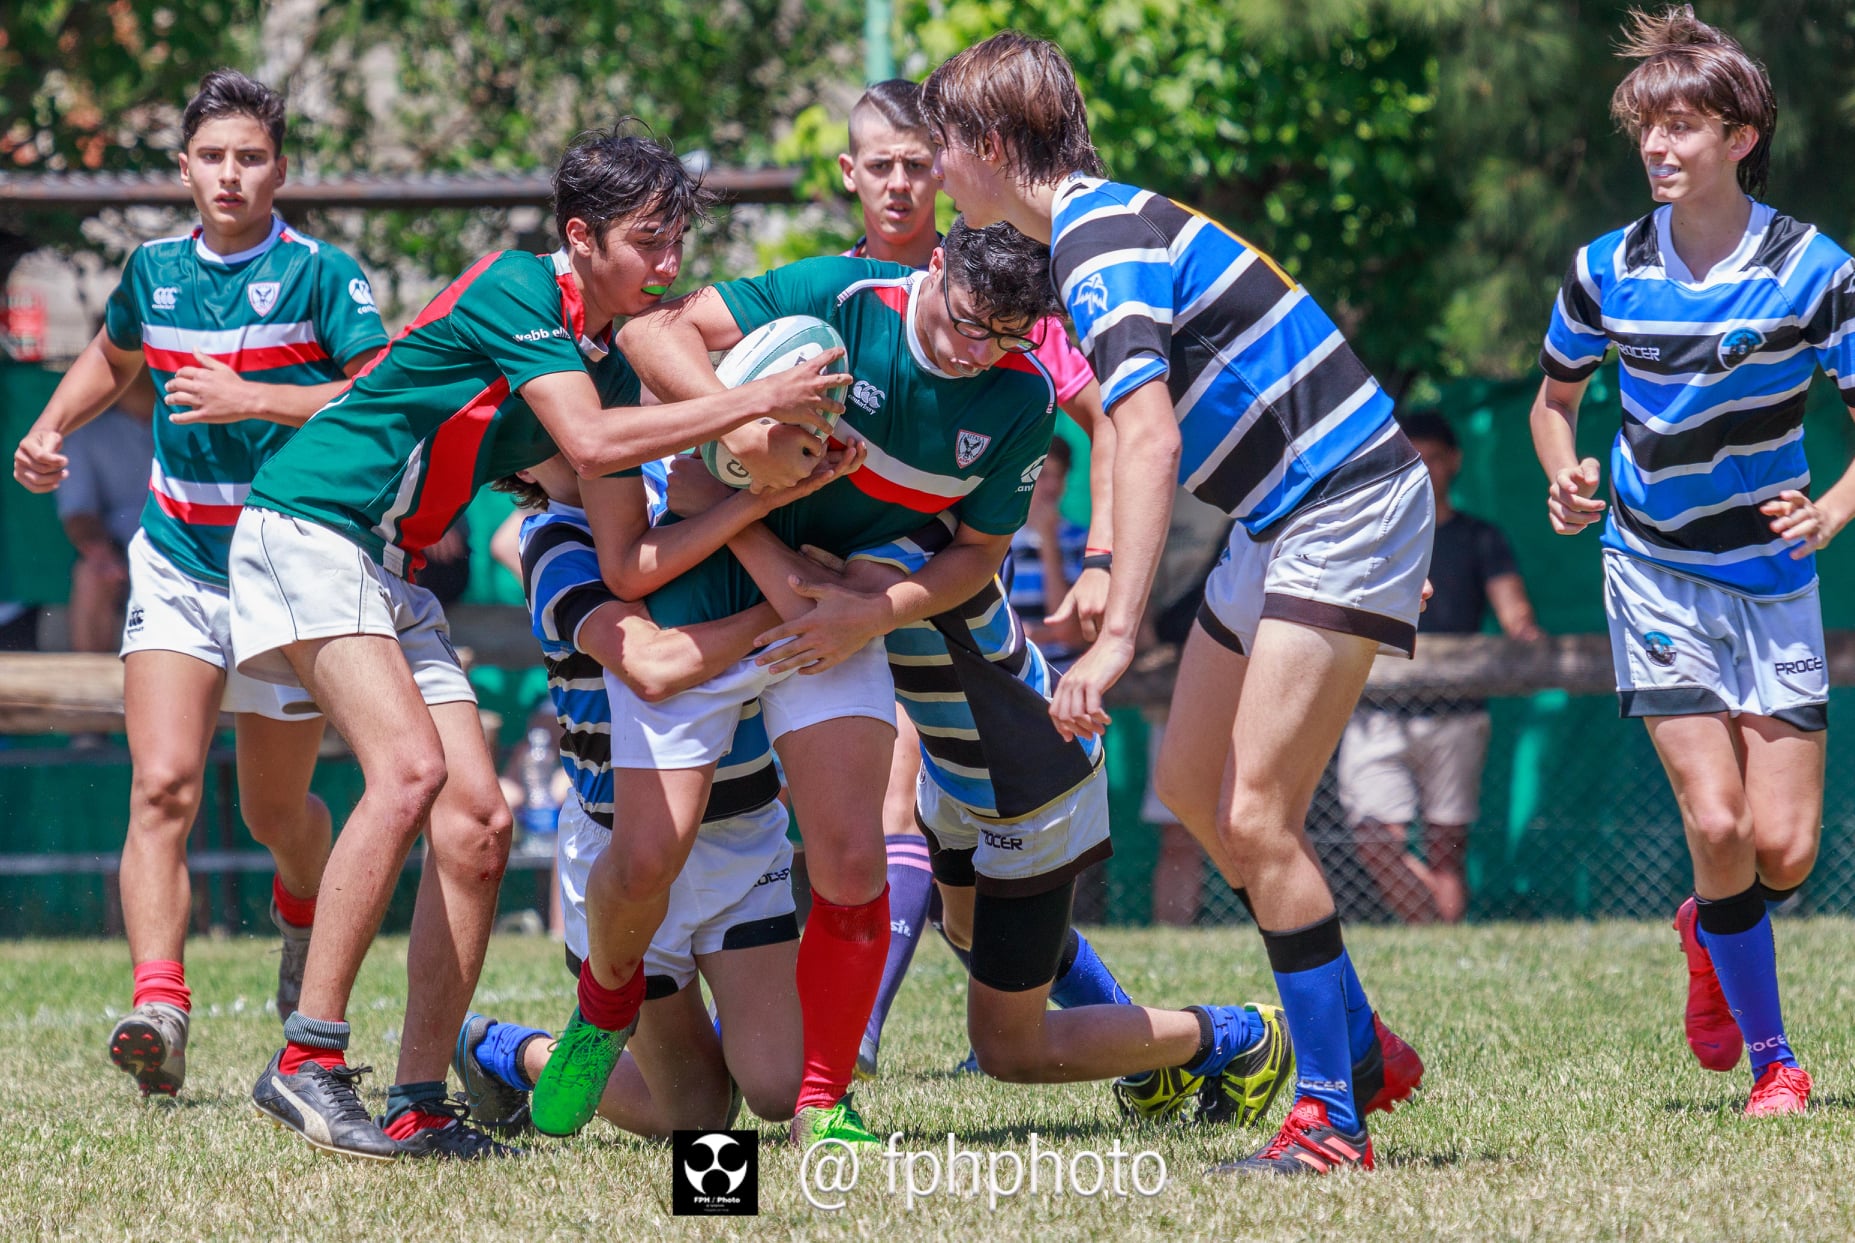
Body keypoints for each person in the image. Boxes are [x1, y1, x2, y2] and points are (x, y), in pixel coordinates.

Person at [225, 124, 848, 1161]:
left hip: (390, 568)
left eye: (676, 241)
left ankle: (424, 1093)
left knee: (478, 824)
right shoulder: (515, 288)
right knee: (412, 772)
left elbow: (635, 560)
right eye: (649, 241)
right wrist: (752, 401)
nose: (669, 265)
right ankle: (308, 1059)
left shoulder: (599, 371)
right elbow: (598, 447)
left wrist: (792, 482)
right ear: (580, 238)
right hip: (309, 522)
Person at [923, 32, 1431, 1175]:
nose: (937, 173)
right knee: (1192, 792)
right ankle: (1353, 1044)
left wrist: (1111, 638)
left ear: (993, 145)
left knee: (1256, 817)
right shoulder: (1094, 232)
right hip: (1288, 516)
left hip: (1336, 507)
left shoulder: (1096, 241)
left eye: (943, 147)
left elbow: (1142, 431)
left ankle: (1329, 1123)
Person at [550, 217, 1063, 1150]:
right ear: (933, 266)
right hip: (707, 581)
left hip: (832, 612)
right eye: (964, 319)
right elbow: (648, 332)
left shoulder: (1021, 397)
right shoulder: (841, 295)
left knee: (854, 858)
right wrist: (744, 431)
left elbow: (980, 552)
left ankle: (828, 1105)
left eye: (1004, 336)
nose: (973, 348)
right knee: (645, 860)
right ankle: (604, 998)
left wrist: (877, 611)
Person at [674, 455, 1295, 1129]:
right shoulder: (869, 518)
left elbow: (818, 603)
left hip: (1028, 782)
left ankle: (1232, 1034)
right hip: (955, 769)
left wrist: (722, 512)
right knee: (966, 924)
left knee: (1005, 1046)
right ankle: (1150, 1057)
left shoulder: (908, 530)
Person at [11, 69, 389, 1099]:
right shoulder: (154, 269)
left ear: (280, 170)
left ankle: (298, 914)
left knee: (276, 810)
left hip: (287, 565)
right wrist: (51, 427)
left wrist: (252, 396)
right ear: (184, 168)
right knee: (164, 784)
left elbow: (378, 398)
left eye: (251, 156)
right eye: (212, 156)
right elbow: (111, 351)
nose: (231, 173)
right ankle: (160, 1005)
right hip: (177, 561)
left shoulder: (322, 275)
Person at [1531, 6, 1846, 1118]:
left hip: (1771, 578)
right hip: (1651, 566)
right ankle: (1775, 1060)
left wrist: (1835, 509)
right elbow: (1553, 401)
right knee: (1715, 825)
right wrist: (1564, 475)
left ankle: (1707, 929)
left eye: (1682, 128)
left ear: (1740, 136)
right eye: (1645, 130)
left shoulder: (1815, 269)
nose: (1658, 148)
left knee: (1784, 849)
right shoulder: (1602, 268)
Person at [834, 78, 1115, 1078]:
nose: (906, 182)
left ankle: (846, 1045)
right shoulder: (832, 298)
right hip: (836, 588)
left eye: (921, 162)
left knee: (899, 798)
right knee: (959, 891)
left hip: (935, 594)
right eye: (885, 165)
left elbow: (1110, 414)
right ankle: (1108, 1024)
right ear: (851, 175)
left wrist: (1103, 558)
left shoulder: (1002, 294)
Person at [453, 454, 804, 1138]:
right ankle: (505, 1050)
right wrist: (783, 613)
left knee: (779, 1088)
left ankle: (738, 1031)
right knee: (695, 1116)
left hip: (737, 834)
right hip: (622, 856)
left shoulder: (681, 497)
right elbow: (654, 665)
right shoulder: (551, 543)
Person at [1340, 411, 1542, 925]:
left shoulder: (1481, 538)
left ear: (1454, 462)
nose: (1424, 469)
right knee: (1372, 836)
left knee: (1446, 846)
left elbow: (1516, 617)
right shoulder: (1371, 540)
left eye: (1432, 457)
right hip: (1375, 708)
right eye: (1413, 458)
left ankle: (1442, 950)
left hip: (1457, 713)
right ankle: (1440, 930)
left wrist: (1526, 639)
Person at [58, 373, 154, 656]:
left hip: (192, 543)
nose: (139, 378)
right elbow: (78, 512)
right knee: (92, 574)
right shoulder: (89, 434)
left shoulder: (197, 428)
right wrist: (100, 551)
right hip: (122, 548)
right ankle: (89, 686)